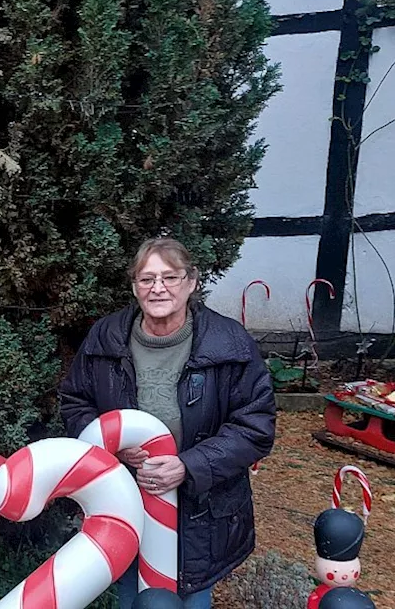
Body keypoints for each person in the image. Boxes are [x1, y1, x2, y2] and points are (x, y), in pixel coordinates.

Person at [58, 237, 276, 609]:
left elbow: (255, 427)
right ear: (134, 287)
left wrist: (188, 466)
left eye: (170, 277)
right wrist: (112, 447)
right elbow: (76, 402)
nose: (158, 288)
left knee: (191, 597)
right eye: (146, 279)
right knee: (132, 594)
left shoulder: (229, 343)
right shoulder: (106, 338)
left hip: (201, 510)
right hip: (126, 497)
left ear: (191, 283)